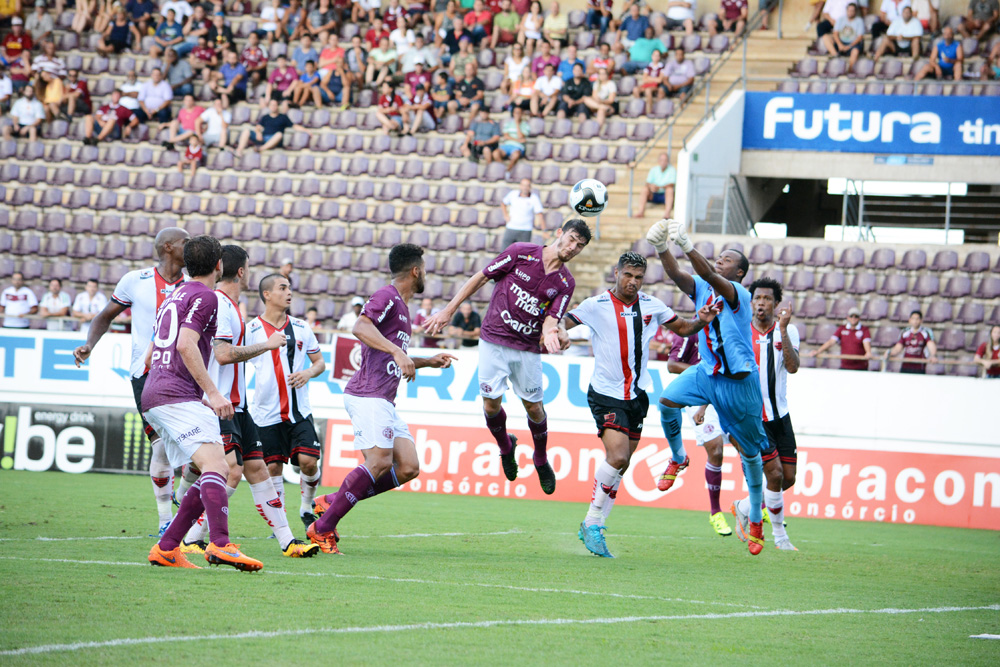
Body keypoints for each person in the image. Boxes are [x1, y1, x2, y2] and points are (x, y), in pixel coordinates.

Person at [563, 252, 720, 558]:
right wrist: (556, 332)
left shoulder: (651, 305)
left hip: (637, 396)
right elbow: (565, 322)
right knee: (618, 456)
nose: (632, 282)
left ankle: (596, 524)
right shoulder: (596, 305)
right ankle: (592, 521)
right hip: (606, 394)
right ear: (616, 273)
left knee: (621, 466)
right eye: (628, 275)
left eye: (638, 277)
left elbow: (684, 329)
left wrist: (701, 319)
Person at [423, 219, 592, 494]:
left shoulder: (565, 282)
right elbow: (481, 277)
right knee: (491, 406)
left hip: (527, 349)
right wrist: (449, 310)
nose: (573, 247)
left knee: (534, 408)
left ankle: (540, 458)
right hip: (494, 341)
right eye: (572, 239)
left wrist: (552, 333)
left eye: (580, 246)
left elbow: (552, 318)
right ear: (558, 233)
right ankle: (506, 446)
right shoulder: (520, 252)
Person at [308, 245, 457, 554]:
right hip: (367, 393)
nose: (425, 274)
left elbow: (391, 355)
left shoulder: (402, 308)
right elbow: (360, 326)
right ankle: (322, 528)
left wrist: (427, 361)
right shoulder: (387, 296)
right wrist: (398, 351)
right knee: (378, 462)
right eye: (424, 269)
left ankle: (332, 501)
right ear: (416, 271)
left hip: (384, 399)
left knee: (408, 467)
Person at [175, 245, 318, 558]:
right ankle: (192, 536)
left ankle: (288, 541)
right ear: (241, 271)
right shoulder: (223, 306)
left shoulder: (231, 307)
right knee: (231, 472)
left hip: (239, 408)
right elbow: (224, 355)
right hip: (221, 406)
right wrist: (266, 345)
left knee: (257, 470)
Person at [645, 218, 767, 556]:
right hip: (707, 374)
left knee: (751, 455)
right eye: (720, 257)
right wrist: (661, 248)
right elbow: (678, 276)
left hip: (739, 385)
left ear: (740, 273)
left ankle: (755, 518)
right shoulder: (704, 285)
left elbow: (712, 276)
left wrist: (687, 246)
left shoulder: (738, 293)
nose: (720, 262)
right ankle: (677, 458)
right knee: (667, 401)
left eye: (728, 259)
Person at [144, 235, 263, 571]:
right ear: (219, 265)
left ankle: (167, 548)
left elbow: (161, 344)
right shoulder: (207, 297)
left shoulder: (175, 294)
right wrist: (213, 392)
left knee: (207, 470)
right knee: (219, 468)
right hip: (176, 393)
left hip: (157, 391)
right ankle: (221, 544)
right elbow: (185, 344)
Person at [74, 227, 190, 535]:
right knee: (162, 448)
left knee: (198, 446)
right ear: (168, 247)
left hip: (187, 375)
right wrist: (89, 345)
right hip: (146, 374)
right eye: (185, 243)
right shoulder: (134, 281)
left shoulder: (194, 284)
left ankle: (183, 493)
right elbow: (104, 316)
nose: (190, 248)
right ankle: (166, 520)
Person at [245, 273, 326, 533]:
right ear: (267, 294)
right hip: (265, 414)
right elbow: (233, 359)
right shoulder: (251, 330)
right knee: (272, 468)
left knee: (309, 461)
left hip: (299, 411)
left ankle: (305, 506)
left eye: (290, 288)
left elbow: (320, 363)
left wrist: (308, 373)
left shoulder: (301, 327)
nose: (289, 292)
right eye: (283, 288)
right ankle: (280, 524)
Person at [729, 277, 800, 552]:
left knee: (788, 478)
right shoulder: (740, 331)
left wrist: (781, 329)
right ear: (751, 301)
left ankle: (744, 506)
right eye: (757, 298)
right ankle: (780, 536)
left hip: (780, 414)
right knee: (774, 474)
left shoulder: (788, 332)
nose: (762, 303)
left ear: (776, 304)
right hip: (752, 417)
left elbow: (793, 367)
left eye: (768, 299)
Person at [662, 329, 731, 537]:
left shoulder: (729, 329)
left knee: (746, 446)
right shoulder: (691, 330)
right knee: (716, 450)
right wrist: (706, 374)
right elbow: (672, 365)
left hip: (727, 393)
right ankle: (715, 512)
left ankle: (756, 506)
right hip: (699, 395)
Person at [234, 97, 309, 156]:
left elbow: (294, 126)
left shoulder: (283, 117)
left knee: (279, 134)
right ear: (269, 106)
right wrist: (258, 133)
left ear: (277, 106)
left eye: (275, 105)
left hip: (274, 139)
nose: (273, 107)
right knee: (246, 130)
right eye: (272, 105)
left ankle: (261, 149)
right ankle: (239, 150)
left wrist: (306, 130)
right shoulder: (265, 117)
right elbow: (258, 126)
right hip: (264, 137)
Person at [807, 306, 871, 370]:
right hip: (845, 366)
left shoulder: (864, 330)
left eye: (856, 316)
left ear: (859, 318)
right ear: (848, 317)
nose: (853, 318)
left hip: (861, 367)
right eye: (851, 316)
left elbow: (866, 342)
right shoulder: (842, 328)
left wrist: (868, 352)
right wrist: (818, 351)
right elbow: (831, 342)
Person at [886, 310, 937, 374]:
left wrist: (933, 355)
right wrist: (889, 352)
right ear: (909, 320)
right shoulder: (905, 332)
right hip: (906, 365)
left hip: (919, 366)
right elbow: (897, 348)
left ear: (921, 320)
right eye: (913, 319)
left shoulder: (926, 332)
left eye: (917, 319)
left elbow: (931, 345)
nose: (915, 321)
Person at [500, 177, 544, 247]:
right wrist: (505, 215)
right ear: (520, 186)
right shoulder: (513, 194)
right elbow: (503, 203)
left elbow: (540, 214)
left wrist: (544, 231)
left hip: (525, 230)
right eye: (523, 185)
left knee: (522, 254)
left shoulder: (534, 198)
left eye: (527, 185)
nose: (525, 188)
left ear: (530, 187)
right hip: (511, 228)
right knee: (505, 253)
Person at [822, 2, 866, 69]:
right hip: (841, 43)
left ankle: (850, 71)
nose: (850, 12)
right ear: (846, 11)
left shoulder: (859, 21)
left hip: (852, 45)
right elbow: (835, 33)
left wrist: (849, 46)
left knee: (855, 51)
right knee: (825, 37)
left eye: (852, 11)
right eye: (849, 10)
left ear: (855, 12)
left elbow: (860, 37)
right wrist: (840, 44)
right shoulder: (840, 19)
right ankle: (836, 56)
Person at [634, 152, 676, 218]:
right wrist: (651, 186)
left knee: (669, 190)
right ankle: (641, 212)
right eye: (662, 160)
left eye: (665, 160)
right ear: (658, 161)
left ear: (667, 161)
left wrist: (660, 187)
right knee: (645, 189)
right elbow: (647, 183)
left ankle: (667, 214)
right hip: (654, 194)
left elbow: (672, 184)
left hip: (664, 195)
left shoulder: (672, 170)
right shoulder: (654, 169)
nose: (663, 162)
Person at [495, 105, 529, 177]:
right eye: (515, 113)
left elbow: (521, 136)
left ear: (522, 114)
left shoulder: (525, 125)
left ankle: (508, 170)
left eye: (519, 113)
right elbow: (506, 136)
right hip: (507, 145)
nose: (517, 115)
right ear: (513, 113)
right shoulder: (508, 123)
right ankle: (504, 169)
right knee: (495, 153)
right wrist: (517, 140)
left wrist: (517, 124)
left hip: (517, 146)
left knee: (516, 155)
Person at [632, 48, 665, 113]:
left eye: (657, 55)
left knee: (648, 91)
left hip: (655, 86)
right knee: (635, 89)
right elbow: (644, 79)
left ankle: (649, 110)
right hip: (647, 85)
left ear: (659, 57)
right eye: (654, 55)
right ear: (652, 56)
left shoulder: (661, 67)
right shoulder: (648, 66)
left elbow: (659, 80)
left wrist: (649, 78)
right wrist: (654, 79)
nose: (655, 57)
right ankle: (639, 108)